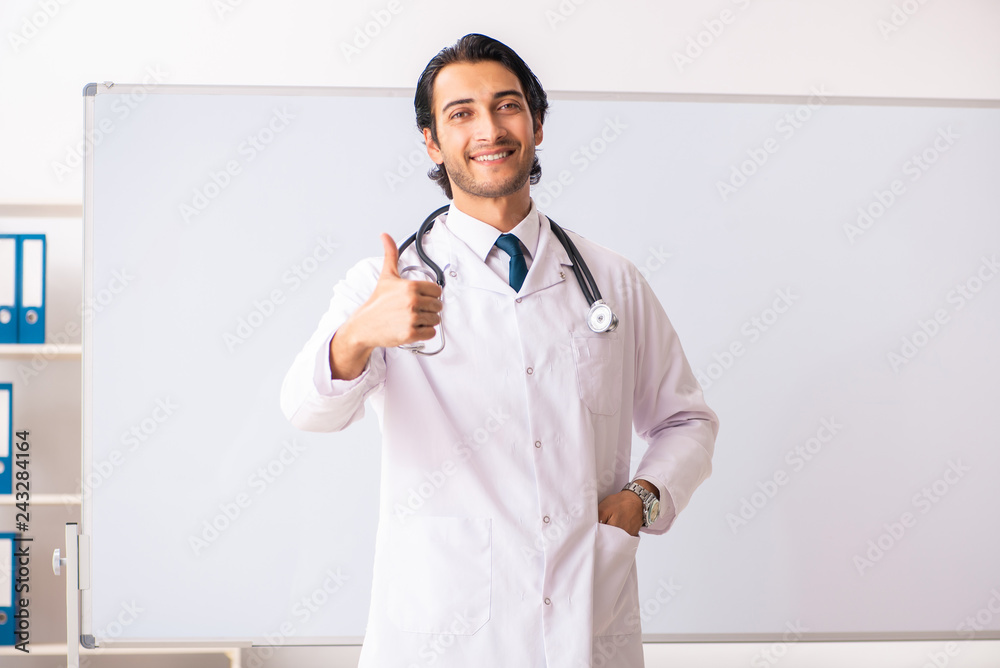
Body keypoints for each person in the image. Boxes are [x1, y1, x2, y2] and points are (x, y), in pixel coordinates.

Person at [280, 33, 719, 668]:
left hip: (585, 623)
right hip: (441, 634)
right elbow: (304, 408)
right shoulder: (386, 284)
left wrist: (642, 498)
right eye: (460, 114)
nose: (489, 128)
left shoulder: (611, 279)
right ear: (432, 142)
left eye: (507, 106)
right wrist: (357, 337)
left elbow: (687, 421)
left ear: (537, 124)